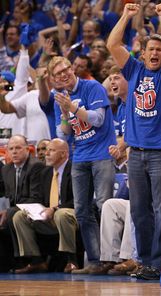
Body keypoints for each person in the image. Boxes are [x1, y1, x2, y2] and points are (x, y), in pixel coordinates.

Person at [107, 2, 161, 280]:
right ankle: (148, 262)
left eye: (158, 50)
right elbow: (113, 43)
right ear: (142, 53)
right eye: (150, 49)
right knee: (140, 212)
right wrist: (126, 16)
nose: (154, 53)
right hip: (136, 154)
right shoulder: (133, 70)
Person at [49, 56, 116, 274]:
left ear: (72, 69)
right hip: (80, 156)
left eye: (66, 69)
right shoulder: (63, 97)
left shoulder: (92, 87)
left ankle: (111, 259)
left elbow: (97, 119)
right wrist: (66, 113)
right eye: (59, 73)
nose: (64, 74)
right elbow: (65, 132)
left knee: (104, 206)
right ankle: (95, 261)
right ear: (54, 79)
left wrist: (73, 108)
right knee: (82, 211)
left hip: (102, 154)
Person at [13, 138, 78, 274]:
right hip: (49, 215)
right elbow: (41, 199)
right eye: (46, 150)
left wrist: (54, 209)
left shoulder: (75, 170)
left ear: (64, 154)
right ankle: (36, 260)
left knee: (61, 214)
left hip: (72, 213)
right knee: (20, 216)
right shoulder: (46, 172)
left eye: (51, 150)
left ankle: (71, 260)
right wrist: (34, 210)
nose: (46, 154)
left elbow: (78, 200)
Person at [0, 135, 45, 264]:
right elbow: (6, 193)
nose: (14, 151)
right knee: (8, 214)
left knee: (11, 214)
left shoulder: (36, 166)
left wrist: (9, 210)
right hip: (16, 209)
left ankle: (25, 260)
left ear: (27, 149)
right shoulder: (6, 169)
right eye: (11, 148)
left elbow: (36, 198)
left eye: (18, 148)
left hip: (37, 207)